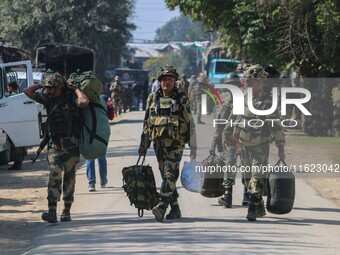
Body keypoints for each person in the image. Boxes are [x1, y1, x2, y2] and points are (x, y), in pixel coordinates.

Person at [24, 72, 89, 224]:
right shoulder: (48, 99)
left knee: (69, 178)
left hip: (71, 145)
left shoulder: (70, 99)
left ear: (59, 88)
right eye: (46, 88)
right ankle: (52, 211)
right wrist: (43, 84)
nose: (47, 91)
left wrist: (74, 89)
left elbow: (84, 101)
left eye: (50, 88)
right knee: (54, 175)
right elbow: (27, 92)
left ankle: (66, 210)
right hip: (54, 144)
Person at [138, 64, 197, 222]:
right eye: (164, 79)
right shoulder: (152, 98)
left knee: (170, 175)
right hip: (158, 144)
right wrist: (144, 144)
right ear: (159, 81)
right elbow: (147, 122)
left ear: (175, 81)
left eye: (169, 79)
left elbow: (190, 123)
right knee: (166, 176)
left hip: (176, 145)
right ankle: (176, 209)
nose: (166, 82)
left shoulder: (181, 99)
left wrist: (194, 146)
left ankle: (162, 206)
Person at [232, 65, 286, 221]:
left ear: (261, 83)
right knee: (247, 178)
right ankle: (260, 205)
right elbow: (235, 119)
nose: (248, 84)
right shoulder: (241, 98)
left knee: (256, 175)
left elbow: (276, 126)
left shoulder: (268, 102)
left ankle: (252, 207)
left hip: (260, 144)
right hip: (243, 144)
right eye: (246, 81)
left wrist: (281, 147)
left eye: (252, 82)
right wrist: (230, 136)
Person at [210, 73, 250, 208]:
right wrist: (214, 142)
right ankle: (228, 195)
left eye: (235, 85)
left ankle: (248, 194)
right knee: (229, 166)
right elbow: (219, 123)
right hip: (230, 139)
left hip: (246, 139)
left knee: (247, 166)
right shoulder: (225, 103)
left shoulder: (248, 100)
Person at [86, 93, 110, 192]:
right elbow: (111, 116)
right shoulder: (104, 98)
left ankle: (91, 183)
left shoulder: (83, 99)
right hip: (102, 132)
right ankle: (103, 181)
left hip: (88, 132)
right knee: (102, 157)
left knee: (90, 157)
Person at [6, 80, 26, 170]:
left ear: (10, 87)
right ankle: (18, 162)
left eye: (8, 87)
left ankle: (17, 164)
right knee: (19, 143)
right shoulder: (19, 95)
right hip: (18, 121)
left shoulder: (11, 96)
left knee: (15, 144)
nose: (7, 88)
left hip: (13, 122)